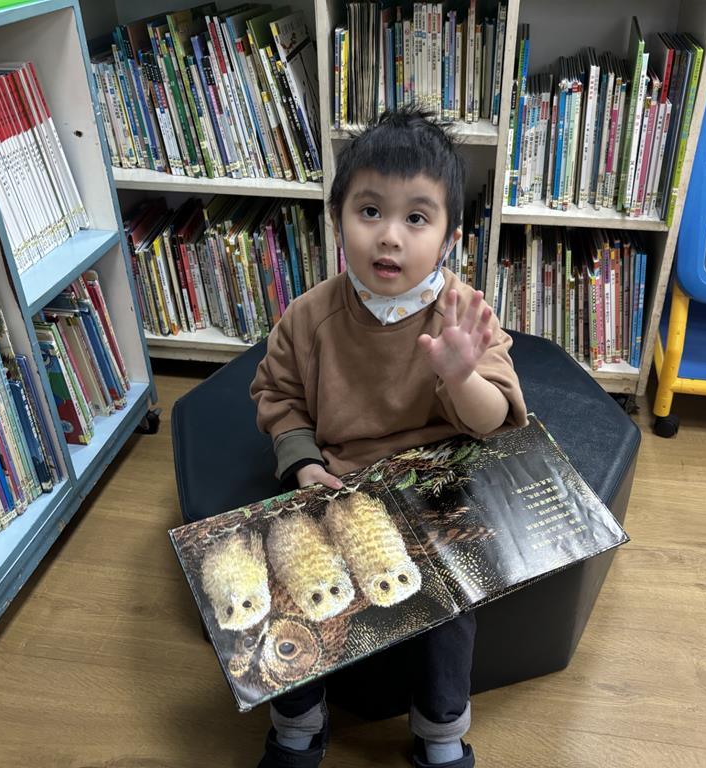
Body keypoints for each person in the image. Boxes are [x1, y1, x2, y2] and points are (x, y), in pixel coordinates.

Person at [249, 107, 528, 768]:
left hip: (436, 485)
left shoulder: (463, 313)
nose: (390, 237)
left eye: (417, 218)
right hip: (342, 486)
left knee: (450, 604)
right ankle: (297, 724)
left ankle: (441, 733)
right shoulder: (308, 317)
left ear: (450, 238)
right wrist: (302, 462)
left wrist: (460, 375)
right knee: (292, 582)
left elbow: (493, 417)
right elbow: (278, 396)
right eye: (369, 211)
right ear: (337, 218)